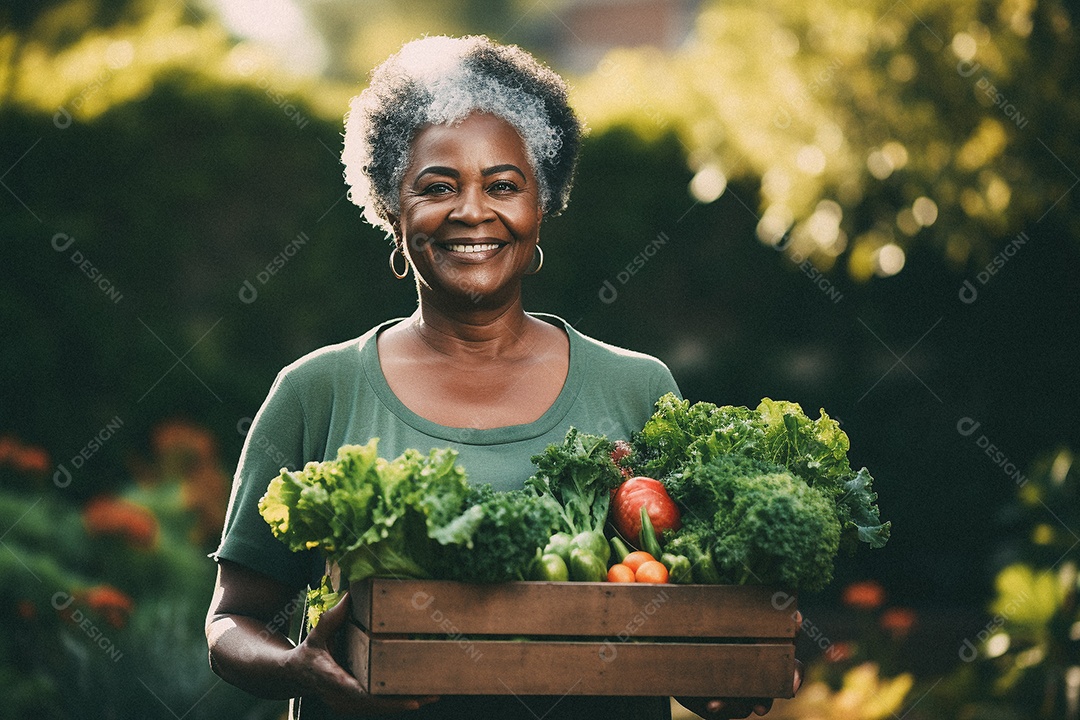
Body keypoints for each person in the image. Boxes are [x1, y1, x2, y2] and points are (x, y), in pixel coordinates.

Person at [206, 35, 798, 719]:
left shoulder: (639, 388)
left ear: (539, 207)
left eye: (504, 185)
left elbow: (685, 615)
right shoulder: (317, 390)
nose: (471, 211)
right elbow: (229, 625)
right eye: (437, 186)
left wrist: (724, 674)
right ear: (392, 211)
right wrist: (295, 667)